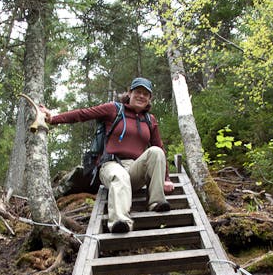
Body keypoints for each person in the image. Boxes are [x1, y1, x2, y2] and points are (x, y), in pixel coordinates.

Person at [40, 77, 175, 233]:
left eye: (146, 94)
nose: (141, 96)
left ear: (149, 98)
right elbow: (83, 114)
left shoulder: (150, 120)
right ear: (130, 93)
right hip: (111, 165)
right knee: (120, 176)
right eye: (138, 92)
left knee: (156, 152)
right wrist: (54, 118)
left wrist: (166, 179)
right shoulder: (114, 109)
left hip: (134, 168)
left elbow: (159, 147)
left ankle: (157, 202)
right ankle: (120, 221)